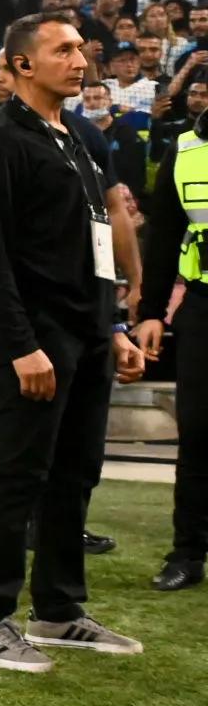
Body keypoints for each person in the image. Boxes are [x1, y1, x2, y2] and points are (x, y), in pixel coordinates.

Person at [0, 11, 147, 673]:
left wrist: (114, 325)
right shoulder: (0, 140)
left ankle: (59, 610)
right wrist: (18, 344)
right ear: (20, 66)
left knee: (74, 474)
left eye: (80, 48)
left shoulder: (80, 138)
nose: (81, 58)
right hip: (38, 337)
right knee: (16, 476)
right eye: (63, 49)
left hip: (88, 330)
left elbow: (94, 243)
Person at [132, 98, 207, 591]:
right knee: (198, 432)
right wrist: (152, 313)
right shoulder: (183, 148)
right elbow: (162, 238)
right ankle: (188, 552)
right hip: (203, 303)